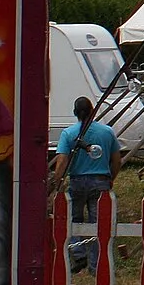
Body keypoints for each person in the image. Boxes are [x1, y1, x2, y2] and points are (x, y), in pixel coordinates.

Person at [51, 97, 120, 269]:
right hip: (101, 180)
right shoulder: (107, 132)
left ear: (75, 113)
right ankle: (95, 263)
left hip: (77, 181)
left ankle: (78, 251)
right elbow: (116, 160)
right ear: (92, 111)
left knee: (74, 219)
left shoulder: (68, 134)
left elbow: (62, 161)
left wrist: (56, 182)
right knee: (98, 223)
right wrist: (110, 178)